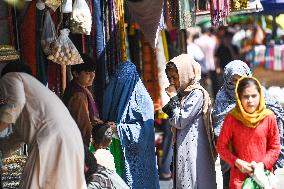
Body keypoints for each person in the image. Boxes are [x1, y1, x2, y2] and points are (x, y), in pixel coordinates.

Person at [0, 61, 86, 189]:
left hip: (51, 138)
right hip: (71, 138)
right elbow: (15, 140)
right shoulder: (37, 99)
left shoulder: (11, 77)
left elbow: (16, 103)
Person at [212, 60, 284, 189]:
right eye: (233, 81)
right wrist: (238, 162)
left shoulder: (268, 115)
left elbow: (275, 146)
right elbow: (221, 146)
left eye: (241, 80)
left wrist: (262, 164)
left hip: (262, 173)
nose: (237, 85)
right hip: (234, 172)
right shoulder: (230, 117)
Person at [162, 54, 217, 189]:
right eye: (170, 78)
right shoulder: (183, 93)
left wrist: (173, 98)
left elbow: (180, 120)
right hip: (185, 146)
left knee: (195, 181)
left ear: (186, 73)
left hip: (194, 149)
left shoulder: (197, 93)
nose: (172, 82)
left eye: (175, 77)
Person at [102, 61, 159, 189]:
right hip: (116, 152)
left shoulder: (144, 101)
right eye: (118, 79)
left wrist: (118, 128)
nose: (121, 83)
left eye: (125, 80)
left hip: (139, 159)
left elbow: (144, 132)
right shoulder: (112, 93)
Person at [62, 54, 100, 147]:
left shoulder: (78, 87)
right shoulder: (78, 95)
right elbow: (84, 126)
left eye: (93, 72)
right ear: (76, 73)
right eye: (87, 73)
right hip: (79, 145)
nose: (92, 76)